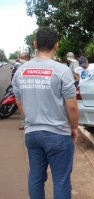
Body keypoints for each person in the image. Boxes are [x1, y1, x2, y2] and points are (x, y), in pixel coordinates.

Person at [12, 27, 79, 199]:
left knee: (36, 176)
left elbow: (19, 102)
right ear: (56, 46)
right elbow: (71, 106)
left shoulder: (20, 71)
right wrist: (75, 128)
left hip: (32, 134)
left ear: (35, 44)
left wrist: (29, 120)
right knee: (61, 180)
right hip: (57, 134)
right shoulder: (62, 71)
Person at [17, 52, 31, 131]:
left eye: (22, 58)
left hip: (28, 87)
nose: (21, 59)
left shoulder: (30, 64)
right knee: (21, 105)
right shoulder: (20, 65)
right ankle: (23, 122)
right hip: (21, 87)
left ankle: (27, 123)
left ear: (26, 58)